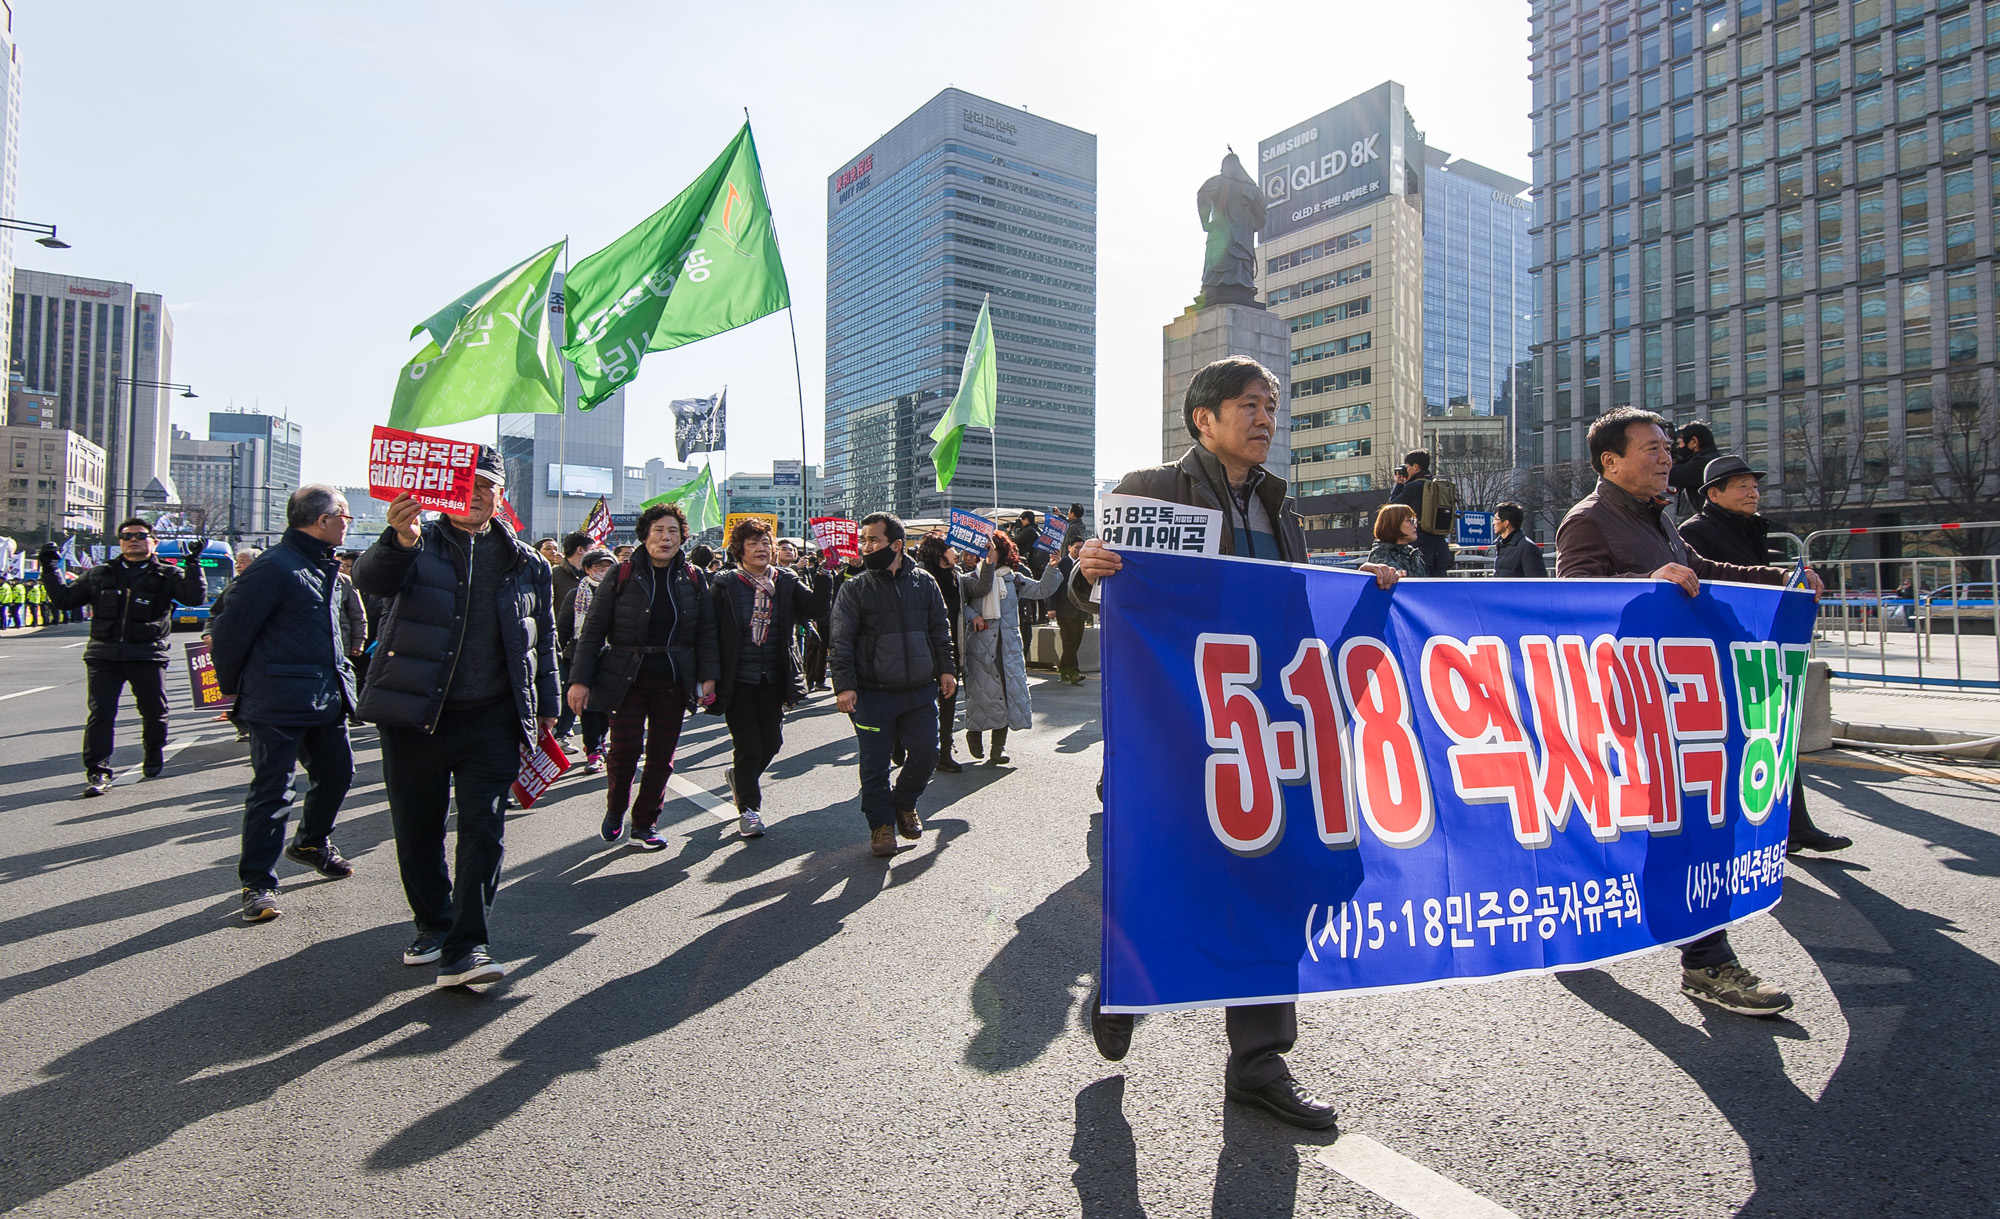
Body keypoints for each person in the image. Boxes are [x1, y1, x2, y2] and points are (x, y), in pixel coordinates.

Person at [1068, 356, 1399, 1133]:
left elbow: (1296, 616)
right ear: (1202, 418)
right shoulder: (1150, 489)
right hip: (1171, 730)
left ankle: (1259, 1062)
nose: (1265, 418)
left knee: (1272, 885)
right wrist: (1087, 572)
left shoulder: (1281, 510)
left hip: (1259, 728)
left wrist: (1366, 594)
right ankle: (1124, 984)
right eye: (1249, 404)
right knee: (1167, 876)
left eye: (1272, 406)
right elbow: (1079, 594)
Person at [1556, 407, 1826, 1019]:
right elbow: (1571, 609)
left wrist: (1778, 579)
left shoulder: (1662, 519)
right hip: (1630, 703)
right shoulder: (1587, 522)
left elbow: (1706, 574)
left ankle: (1689, 956)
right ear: (1610, 461)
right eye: (1650, 448)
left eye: (1666, 448)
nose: (1665, 457)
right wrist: (1647, 582)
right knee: (1673, 827)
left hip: (1680, 705)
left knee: (1673, 825)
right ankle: (1704, 962)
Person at [353, 446, 557, 988]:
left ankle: (468, 945)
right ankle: (433, 924)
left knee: (484, 829)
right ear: (445, 492)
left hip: (491, 718)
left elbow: (544, 642)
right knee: (417, 829)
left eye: (487, 485)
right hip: (415, 714)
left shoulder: (526, 562)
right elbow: (372, 579)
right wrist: (397, 539)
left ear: (500, 495)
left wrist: (548, 710)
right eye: (466, 484)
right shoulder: (416, 543)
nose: (476, 494)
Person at [1677, 454, 1853, 855]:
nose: (1752, 491)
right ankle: (1724, 836)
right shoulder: (1694, 532)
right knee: (1729, 746)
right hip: (1717, 650)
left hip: (1755, 646)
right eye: (1741, 485)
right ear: (1714, 493)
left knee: (1774, 735)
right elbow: (1707, 583)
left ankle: (1796, 826)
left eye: (1754, 485)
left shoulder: (1753, 529)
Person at [208, 486, 360, 924]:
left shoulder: (324, 565)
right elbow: (229, 632)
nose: (348, 522)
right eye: (344, 514)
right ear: (322, 519)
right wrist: (234, 691)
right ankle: (257, 883)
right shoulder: (274, 568)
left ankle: (312, 842)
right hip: (275, 699)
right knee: (273, 792)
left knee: (338, 774)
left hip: (324, 696)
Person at [568, 502, 717, 850]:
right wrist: (580, 680)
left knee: (662, 756)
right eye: (658, 531)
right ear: (644, 536)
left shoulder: (694, 577)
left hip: (672, 679)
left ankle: (645, 823)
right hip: (625, 678)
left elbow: (706, 632)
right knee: (624, 751)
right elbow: (592, 631)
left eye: (673, 532)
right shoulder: (620, 575)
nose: (666, 538)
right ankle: (616, 808)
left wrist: (708, 675)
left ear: (683, 537)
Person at [39, 518, 207, 796]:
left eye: (141, 535)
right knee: (101, 714)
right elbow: (64, 600)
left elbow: (194, 598)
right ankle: (98, 771)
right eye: (127, 535)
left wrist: (193, 564)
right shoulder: (100, 573)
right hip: (103, 655)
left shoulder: (167, 575)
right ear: (120, 541)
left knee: (154, 712)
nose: (133, 539)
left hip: (147, 654)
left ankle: (153, 752)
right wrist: (49, 568)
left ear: (152, 541)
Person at [828, 512, 957, 858]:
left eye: (874, 540)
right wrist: (844, 685)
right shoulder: (854, 588)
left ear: (897, 545)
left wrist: (947, 669)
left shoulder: (925, 583)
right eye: (864, 540)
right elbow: (840, 641)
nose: (866, 547)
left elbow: (939, 630)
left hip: (918, 691)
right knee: (874, 764)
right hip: (871, 695)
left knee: (928, 753)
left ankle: (904, 804)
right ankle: (881, 826)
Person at [706, 517, 824, 837]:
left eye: (765, 543)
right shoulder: (725, 584)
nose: (761, 549)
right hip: (738, 679)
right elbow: (709, 633)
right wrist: (708, 676)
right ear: (739, 549)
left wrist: (826, 572)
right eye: (752, 543)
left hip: (774, 676)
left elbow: (814, 607)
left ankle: (740, 779)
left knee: (772, 743)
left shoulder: (785, 579)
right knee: (749, 746)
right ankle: (750, 809)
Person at [958, 531, 1065, 766]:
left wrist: (1052, 567)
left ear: (1002, 551)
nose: (986, 552)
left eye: (991, 547)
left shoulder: (1014, 579)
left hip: (1008, 645)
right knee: (979, 693)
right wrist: (972, 615)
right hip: (980, 645)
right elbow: (959, 605)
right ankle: (974, 733)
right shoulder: (969, 578)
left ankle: (998, 747)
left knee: (1007, 694)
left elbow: (1041, 590)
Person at [915, 534, 966, 770]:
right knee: (920, 704)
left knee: (948, 700)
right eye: (951, 548)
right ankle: (905, 746)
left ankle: (943, 751)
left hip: (951, 648)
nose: (956, 552)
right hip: (925, 650)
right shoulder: (921, 578)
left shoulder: (956, 576)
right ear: (938, 552)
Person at [564, 547, 616, 773]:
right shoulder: (577, 594)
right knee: (589, 708)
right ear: (587, 569)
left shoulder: (623, 592)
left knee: (608, 707)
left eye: (609, 567)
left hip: (615, 659)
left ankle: (606, 745)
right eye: (599, 567)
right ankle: (593, 750)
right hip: (584, 659)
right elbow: (564, 630)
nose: (604, 571)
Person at [550, 530, 592, 751]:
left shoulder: (592, 574)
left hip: (586, 648)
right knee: (560, 693)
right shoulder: (555, 574)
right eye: (591, 549)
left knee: (580, 697)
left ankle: (572, 738)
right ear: (580, 550)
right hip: (562, 646)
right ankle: (552, 736)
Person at [1386, 449, 1453, 577]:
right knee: (1439, 592)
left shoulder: (1413, 487)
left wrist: (1399, 485)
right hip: (1440, 550)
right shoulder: (1438, 487)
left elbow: (1390, 509)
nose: (1407, 470)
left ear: (1415, 467)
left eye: (1407, 467)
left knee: (1421, 590)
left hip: (1421, 549)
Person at [1048, 538, 1089, 684]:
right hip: (1064, 609)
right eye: (1077, 547)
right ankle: (1073, 672)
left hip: (1080, 609)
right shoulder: (1062, 563)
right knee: (1069, 641)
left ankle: (1064, 669)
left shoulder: (1085, 563)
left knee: (1076, 641)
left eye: (1082, 548)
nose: (1079, 550)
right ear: (1070, 547)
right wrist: (1051, 607)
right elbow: (1053, 586)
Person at [335, 550, 368, 725]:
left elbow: (358, 615)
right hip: (325, 643)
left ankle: (354, 712)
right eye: (344, 565)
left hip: (344, 641)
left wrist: (359, 640)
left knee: (350, 677)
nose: (344, 569)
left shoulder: (344, 583)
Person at [1668, 421, 1721, 518]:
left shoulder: (1705, 463)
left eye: (1679, 443)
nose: (1677, 448)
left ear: (1694, 442)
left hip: (1704, 525)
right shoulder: (1712, 459)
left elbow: (1670, 475)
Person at [1365, 503, 1428, 577]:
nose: (1415, 526)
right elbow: (1398, 580)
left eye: (1415, 521)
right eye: (1410, 521)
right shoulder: (1381, 553)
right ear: (1393, 524)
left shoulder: (1413, 554)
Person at [1490, 501, 1548, 578]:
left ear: (1506, 523)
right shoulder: (1501, 545)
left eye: (1496, 519)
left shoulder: (1527, 547)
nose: (1493, 523)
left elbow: (1537, 583)